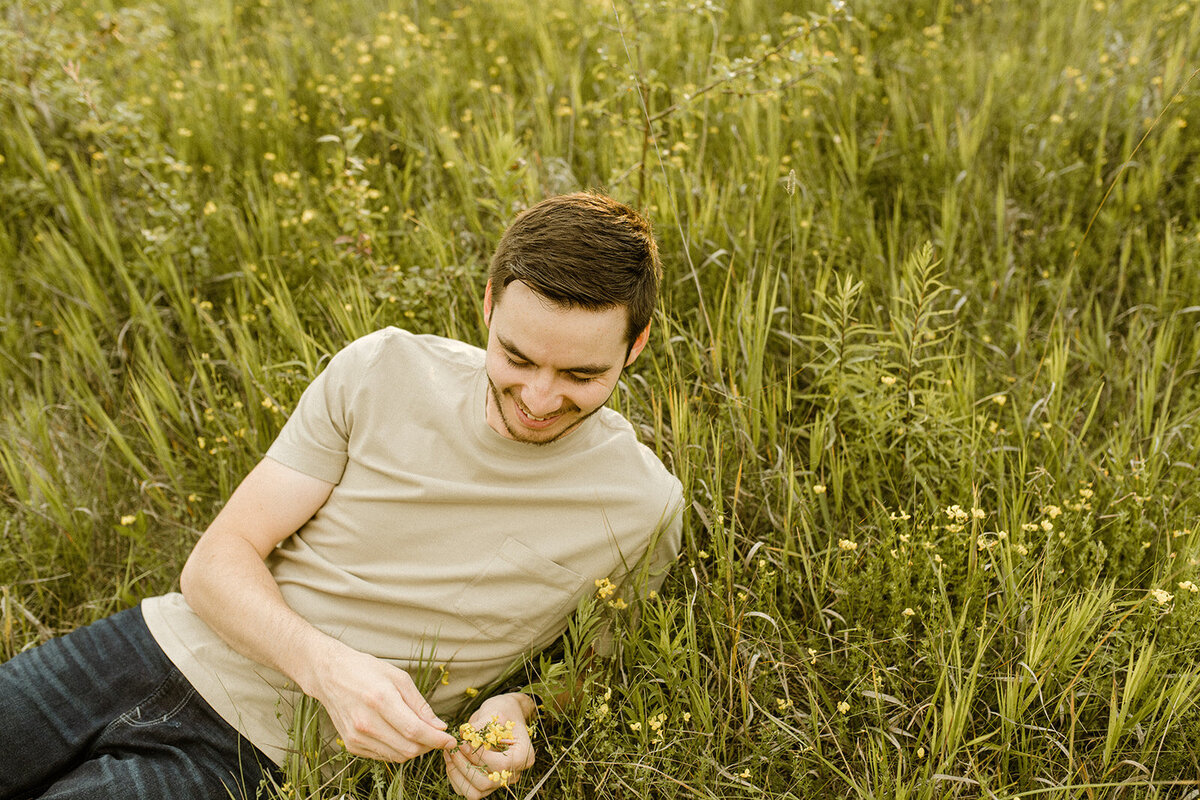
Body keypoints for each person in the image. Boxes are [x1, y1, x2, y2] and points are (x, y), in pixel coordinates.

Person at [0, 191, 683, 800]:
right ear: (488, 304)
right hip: (147, 645)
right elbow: (216, 563)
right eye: (518, 358)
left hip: (254, 758)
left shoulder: (642, 507)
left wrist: (517, 706)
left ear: (637, 344)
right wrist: (326, 667)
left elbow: (586, 668)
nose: (538, 398)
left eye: (580, 375)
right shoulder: (382, 369)